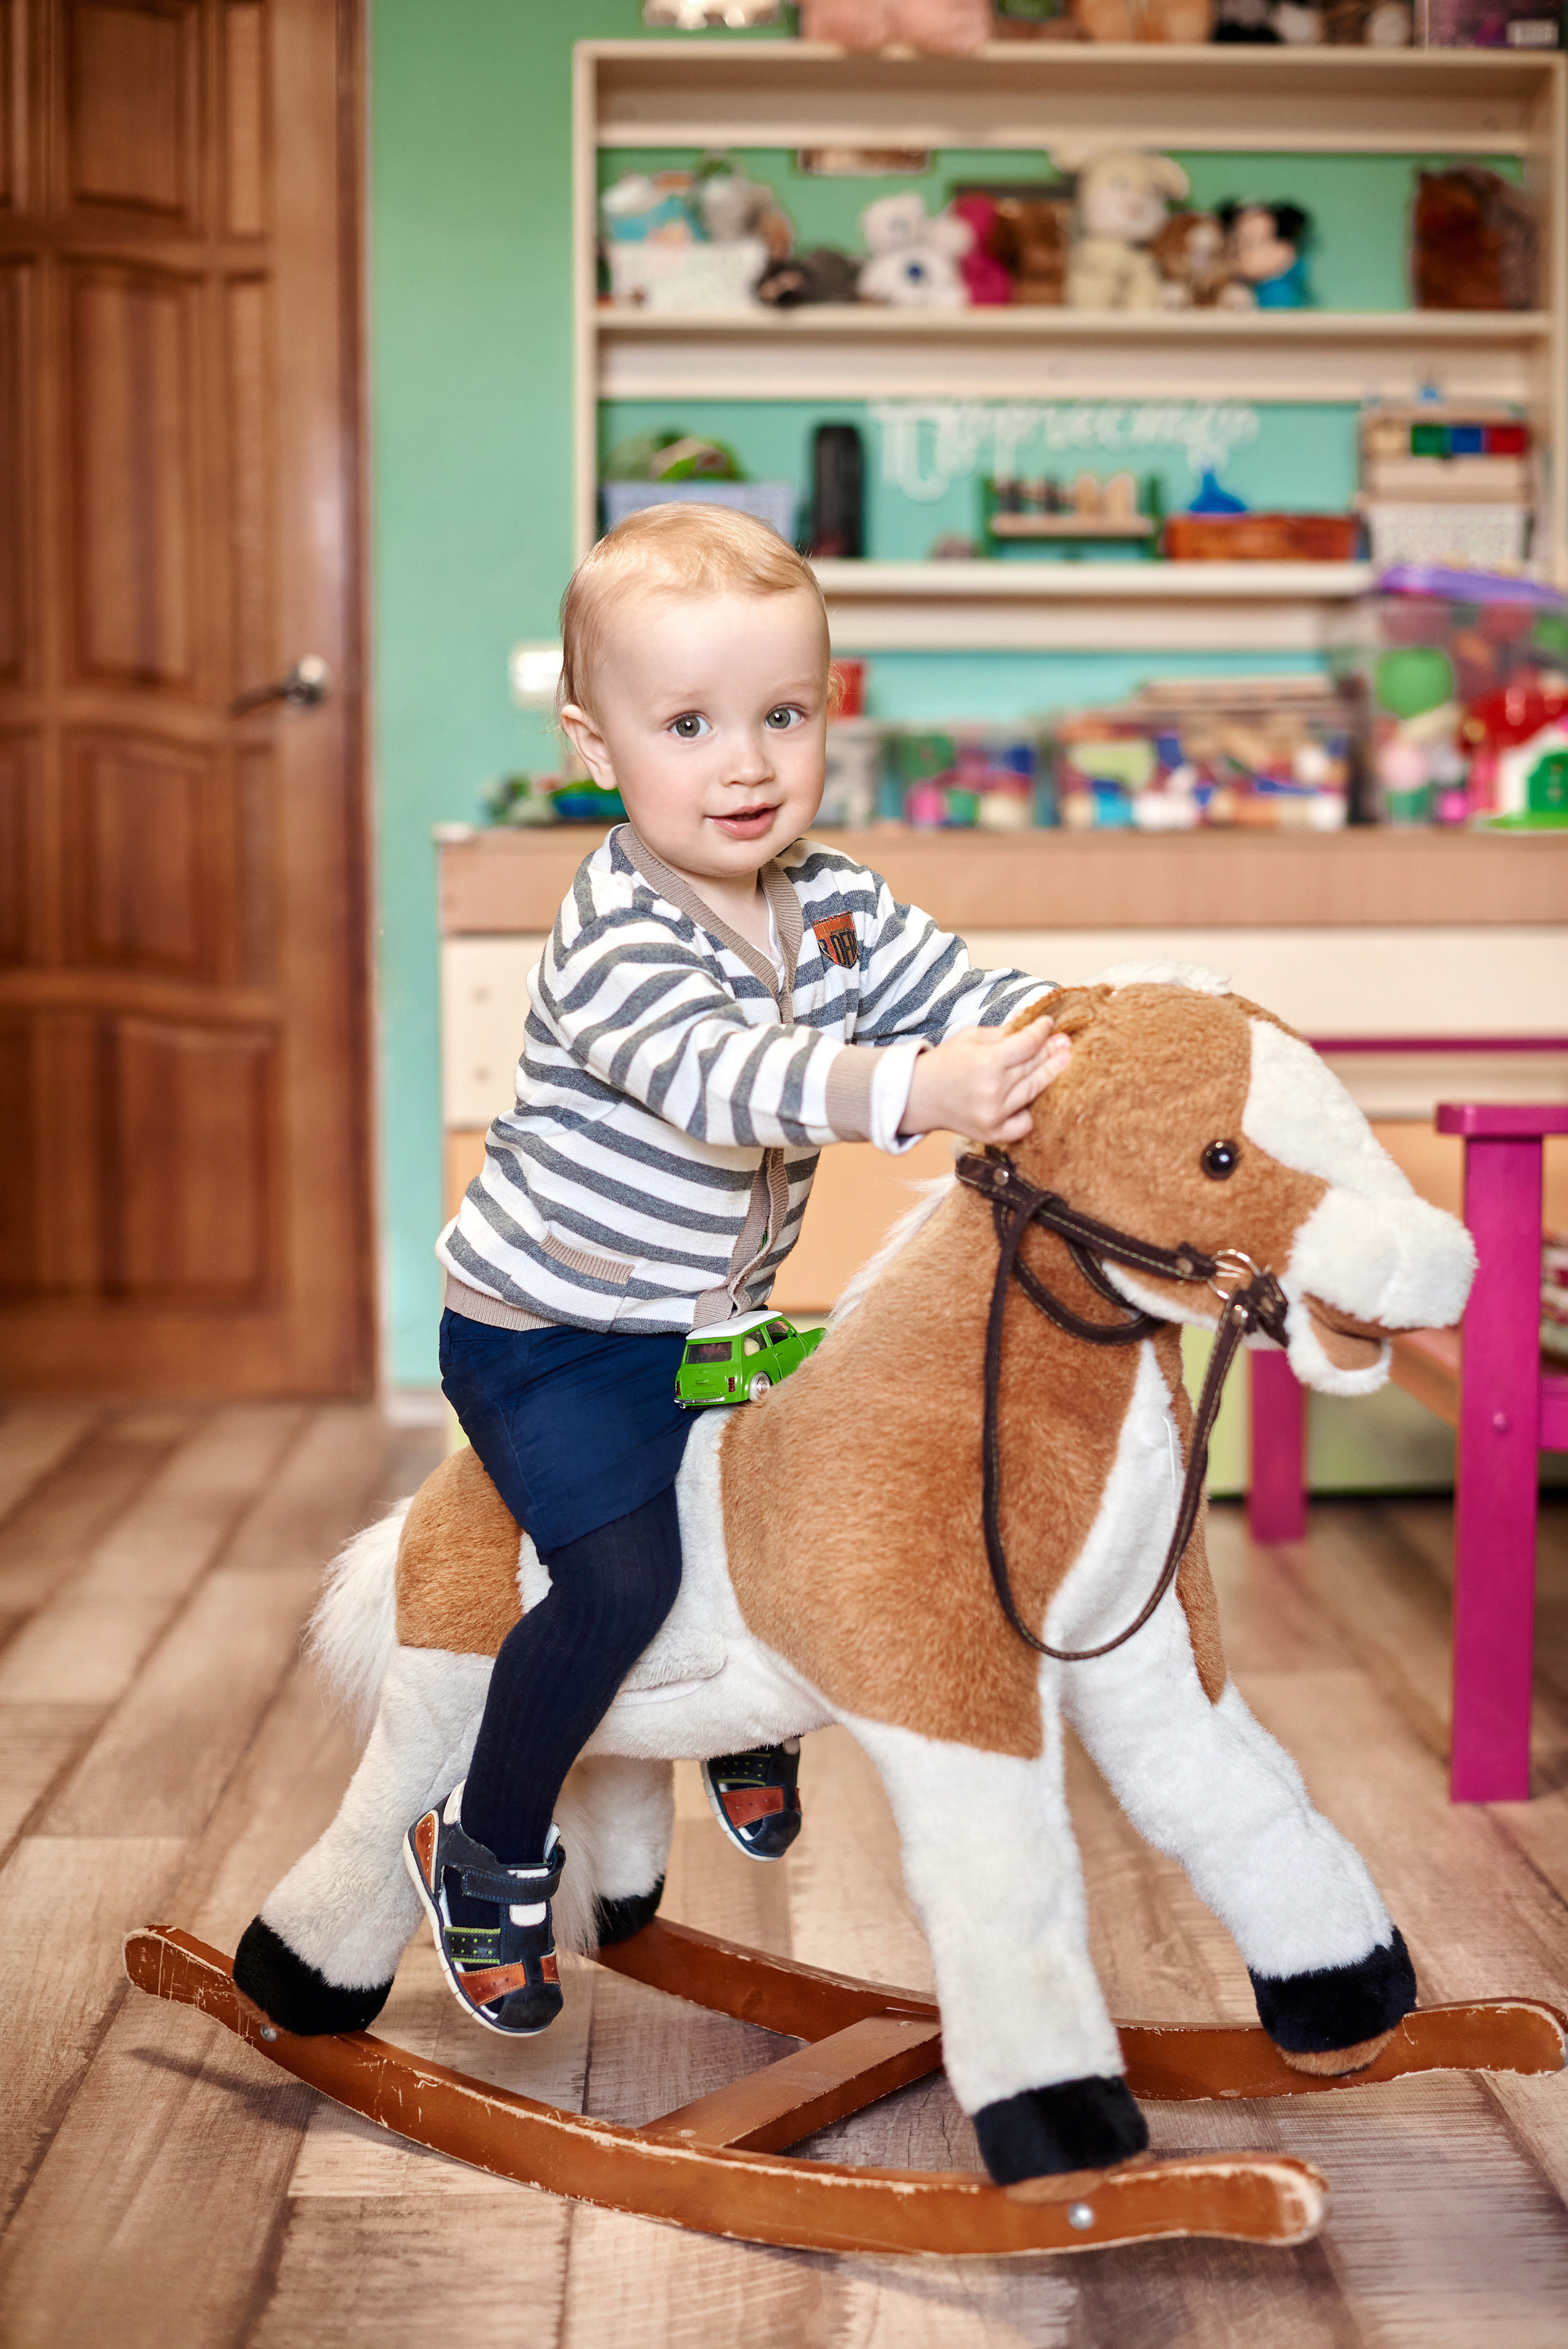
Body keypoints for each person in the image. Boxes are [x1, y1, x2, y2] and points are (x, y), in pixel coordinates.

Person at [406, 504, 1071, 2037]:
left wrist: (1072, 1027)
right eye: (688, 725)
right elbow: (723, 1078)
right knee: (623, 1573)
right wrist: (916, 1090)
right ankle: (485, 1839)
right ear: (595, 744)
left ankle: (735, 1720)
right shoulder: (615, 927)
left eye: (781, 715)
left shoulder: (825, 896)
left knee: (818, 1478)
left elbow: (954, 978)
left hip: (708, 1319)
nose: (746, 764)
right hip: (550, 1333)